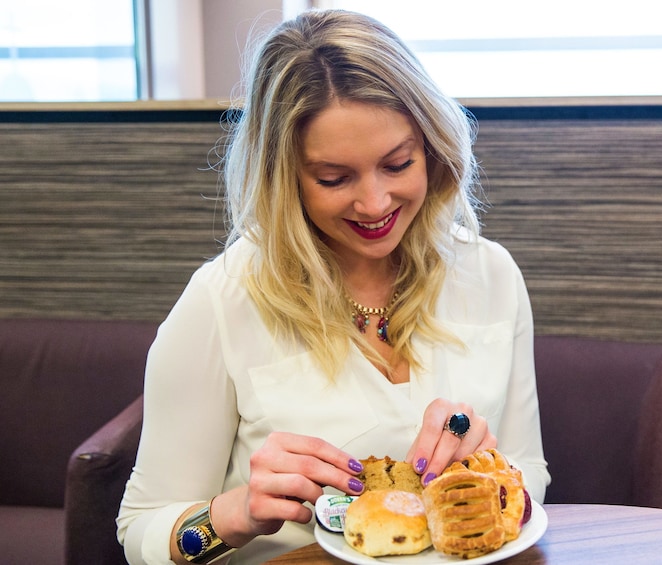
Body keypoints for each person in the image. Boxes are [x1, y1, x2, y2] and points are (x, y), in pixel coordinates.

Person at [117, 9, 549, 564]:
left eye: (397, 164)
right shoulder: (221, 301)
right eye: (334, 178)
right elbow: (139, 535)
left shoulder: (490, 276)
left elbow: (530, 473)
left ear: (434, 150)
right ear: (284, 177)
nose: (374, 204)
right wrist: (238, 513)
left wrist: (492, 473)